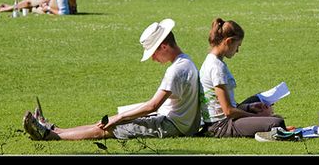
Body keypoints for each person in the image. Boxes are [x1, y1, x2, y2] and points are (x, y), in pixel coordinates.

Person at [22, 18, 201, 141]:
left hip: (172, 125)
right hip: (177, 121)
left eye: (153, 53)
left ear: (163, 46)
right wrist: (119, 116)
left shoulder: (175, 70)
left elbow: (152, 106)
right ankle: (55, 130)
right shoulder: (187, 62)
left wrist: (120, 117)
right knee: (110, 121)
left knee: (110, 127)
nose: (154, 59)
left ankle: (49, 136)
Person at [199, 18, 291, 138]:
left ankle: (258, 113)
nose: (237, 50)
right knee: (276, 122)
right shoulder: (217, 68)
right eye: (237, 46)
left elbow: (227, 104)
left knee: (258, 99)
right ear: (229, 41)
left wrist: (249, 107)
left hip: (224, 119)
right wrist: (261, 117)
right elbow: (228, 111)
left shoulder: (212, 61)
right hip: (221, 125)